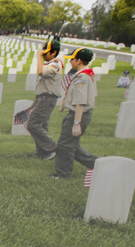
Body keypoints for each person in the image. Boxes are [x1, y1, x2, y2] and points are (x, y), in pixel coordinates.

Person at [50, 48, 98, 179]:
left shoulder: (81, 78)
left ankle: (63, 174)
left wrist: (76, 123)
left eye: (72, 59)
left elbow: (80, 102)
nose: (70, 62)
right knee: (73, 145)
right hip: (80, 114)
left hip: (78, 115)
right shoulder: (88, 74)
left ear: (79, 60)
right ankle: (98, 164)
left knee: (64, 145)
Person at [27, 39, 64, 160]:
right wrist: (35, 100)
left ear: (53, 53)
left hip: (48, 98)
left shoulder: (55, 65)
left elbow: (41, 72)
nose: (43, 54)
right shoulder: (49, 64)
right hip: (42, 98)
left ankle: (52, 149)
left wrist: (38, 56)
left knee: (33, 125)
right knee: (42, 126)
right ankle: (42, 152)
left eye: (45, 52)